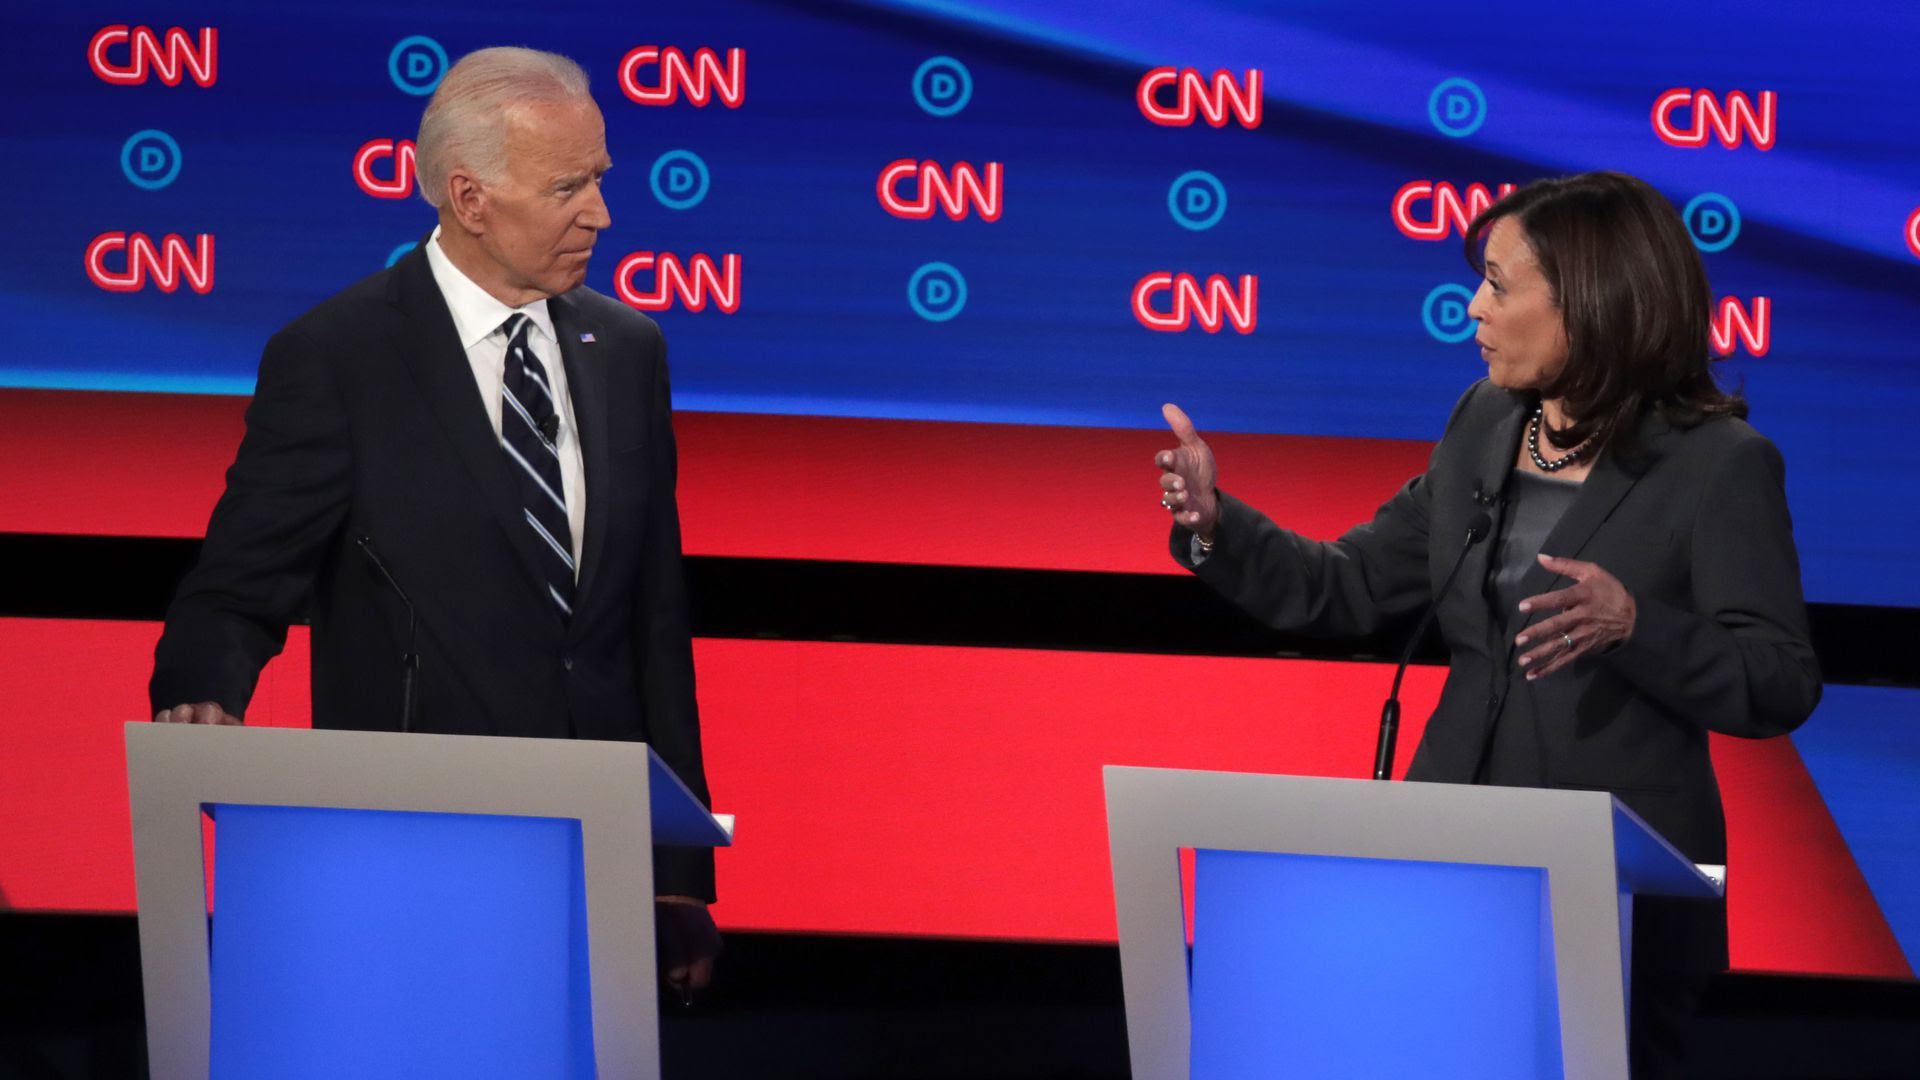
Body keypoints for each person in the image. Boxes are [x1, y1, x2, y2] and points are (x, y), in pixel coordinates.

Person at [1154, 170, 1821, 1077]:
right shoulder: (1484, 422)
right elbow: (1345, 584)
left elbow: (1778, 677)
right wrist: (1217, 529)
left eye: (1500, 286)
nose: (1473, 307)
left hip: (1616, 900)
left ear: (1589, 304)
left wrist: (1638, 626)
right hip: (1457, 870)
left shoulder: (1720, 466)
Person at [148, 47, 719, 996]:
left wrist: (676, 876)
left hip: (597, 858)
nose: (602, 214)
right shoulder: (339, 357)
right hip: (416, 852)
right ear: (469, 196)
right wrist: (203, 691)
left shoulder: (627, 350)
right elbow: (242, 578)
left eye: (601, 179)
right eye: (568, 186)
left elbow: (655, 623)